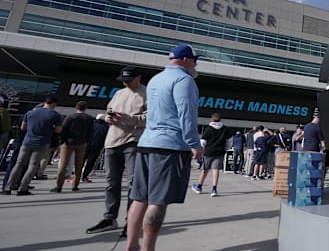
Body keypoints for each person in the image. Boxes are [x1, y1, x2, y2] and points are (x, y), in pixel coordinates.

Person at [125, 44, 204, 251]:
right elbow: (186, 114)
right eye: (195, 60)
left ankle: (131, 245)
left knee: (139, 198)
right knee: (158, 201)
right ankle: (148, 248)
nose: (196, 64)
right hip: (168, 147)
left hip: (146, 142)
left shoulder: (155, 80)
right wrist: (194, 143)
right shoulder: (184, 80)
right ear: (186, 60)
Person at [86, 66, 147, 235]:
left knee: (133, 183)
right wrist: (108, 118)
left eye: (129, 80)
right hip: (112, 141)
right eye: (123, 80)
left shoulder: (147, 93)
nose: (126, 83)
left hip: (133, 142)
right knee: (111, 183)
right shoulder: (119, 93)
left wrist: (129, 118)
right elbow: (108, 112)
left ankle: (132, 220)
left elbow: (150, 118)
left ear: (138, 77)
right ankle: (109, 218)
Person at [3, 96, 63, 195]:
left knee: (19, 164)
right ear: (54, 104)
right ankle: (23, 188)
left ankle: (8, 188)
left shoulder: (30, 112)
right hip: (42, 143)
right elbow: (58, 130)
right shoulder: (55, 115)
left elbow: (23, 127)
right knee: (33, 165)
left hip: (27, 141)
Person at [51, 101, 94, 193]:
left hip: (68, 142)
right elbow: (91, 132)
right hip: (82, 143)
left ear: (76, 107)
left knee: (63, 164)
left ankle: (59, 186)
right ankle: (75, 185)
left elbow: (64, 130)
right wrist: (86, 140)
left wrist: (62, 141)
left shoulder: (70, 117)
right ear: (85, 108)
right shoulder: (89, 119)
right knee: (78, 165)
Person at [192, 113, 233, 196]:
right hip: (220, 151)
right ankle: (214, 189)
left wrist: (202, 150)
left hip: (208, 152)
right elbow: (230, 141)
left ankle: (199, 186)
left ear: (212, 119)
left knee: (205, 169)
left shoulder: (208, 129)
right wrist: (226, 149)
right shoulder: (225, 129)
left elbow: (203, 142)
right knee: (216, 169)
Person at [81, 114, 110, 183]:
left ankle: (77, 175)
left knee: (81, 160)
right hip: (97, 146)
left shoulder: (91, 124)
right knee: (90, 162)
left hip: (86, 145)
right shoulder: (106, 127)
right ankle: (85, 176)